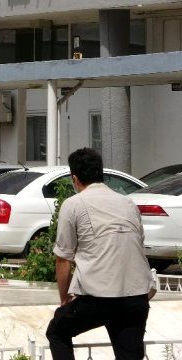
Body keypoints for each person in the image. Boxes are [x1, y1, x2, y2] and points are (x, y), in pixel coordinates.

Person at [46, 148, 153, 360]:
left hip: (98, 298)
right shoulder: (128, 203)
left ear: (74, 179)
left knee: (57, 330)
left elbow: (63, 258)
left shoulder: (73, 204)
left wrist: (64, 299)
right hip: (137, 296)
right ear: (101, 174)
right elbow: (138, 245)